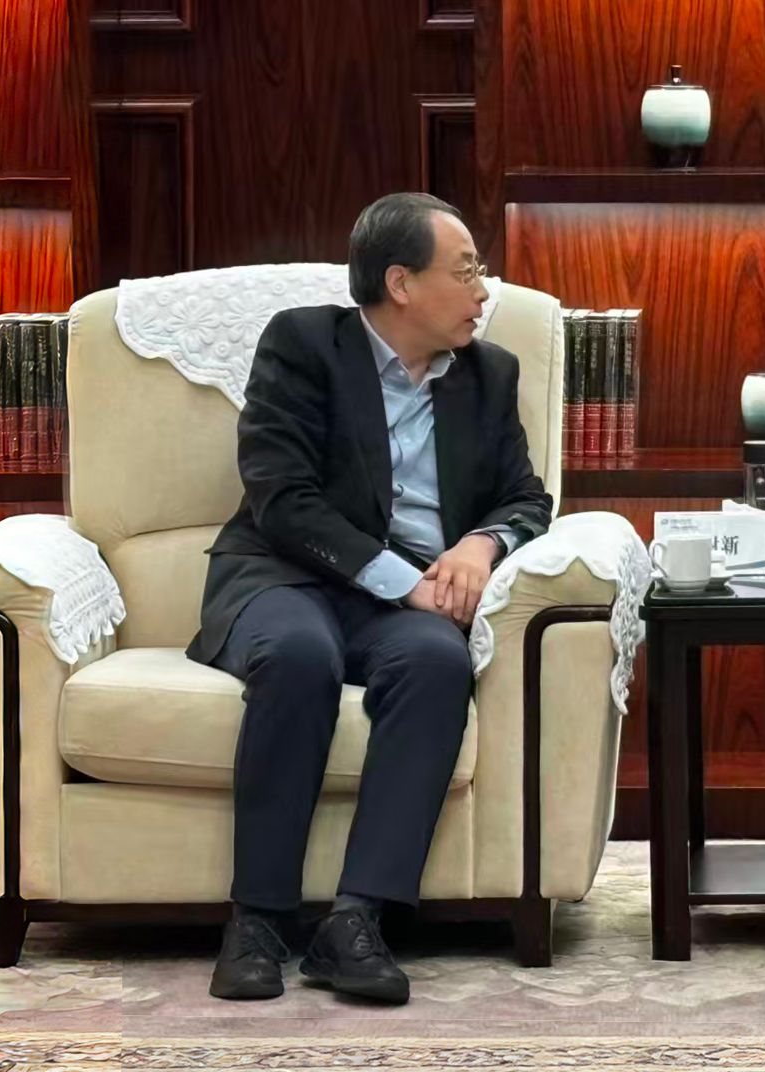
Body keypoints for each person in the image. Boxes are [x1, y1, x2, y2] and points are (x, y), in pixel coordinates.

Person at [186, 192, 552, 1004]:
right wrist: (405, 582)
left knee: (437, 663)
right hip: (285, 575)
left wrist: (481, 544)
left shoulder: (489, 375)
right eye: (466, 272)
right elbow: (282, 499)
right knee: (299, 656)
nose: (483, 291)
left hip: (402, 607)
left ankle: (356, 922)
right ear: (401, 283)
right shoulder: (303, 346)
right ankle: (258, 920)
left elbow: (527, 497)